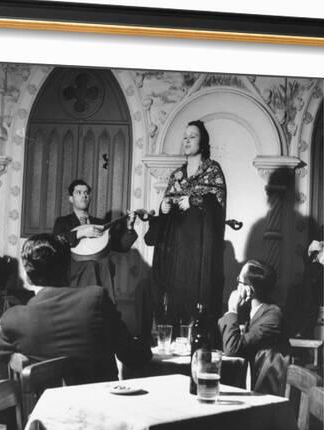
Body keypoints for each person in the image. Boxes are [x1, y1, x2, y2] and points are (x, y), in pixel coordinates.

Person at [0, 233, 151, 383]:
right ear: (68, 270)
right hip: (100, 408)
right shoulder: (95, 300)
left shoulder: (14, 319)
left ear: (27, 276)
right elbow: (134, 357)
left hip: (47, 412)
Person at [144, 120, 226, 331]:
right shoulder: (176, 175)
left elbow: (218, 206)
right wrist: (163, 207)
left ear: (203, 141)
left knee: (196, 305)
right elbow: (167, 205)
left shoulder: (213, 170)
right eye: (185, 137)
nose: (187, 140)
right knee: (173, 299)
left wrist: (195, 201)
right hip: (175, 248)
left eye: (193, 136)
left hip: (199, 248)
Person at [53, 179, 137, 302]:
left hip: (99, 267)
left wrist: (130, 227)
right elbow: (56, 242)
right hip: (73, 269)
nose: (84, 195)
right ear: (71, 198)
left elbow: (121, 247)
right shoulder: (63, 222)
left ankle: (107, 309)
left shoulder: (100, 224)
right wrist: (81, 233)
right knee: (92, 265)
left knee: (105, 262)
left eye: (86, 192)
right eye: (79, 192)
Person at [217, 259, 290, 396]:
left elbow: (232, 349)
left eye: (239, 280)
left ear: (249, 289)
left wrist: (232, 310)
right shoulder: (246, 309)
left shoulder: (272, 316)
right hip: (247, 378)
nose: (236, 284)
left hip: (265, 390)